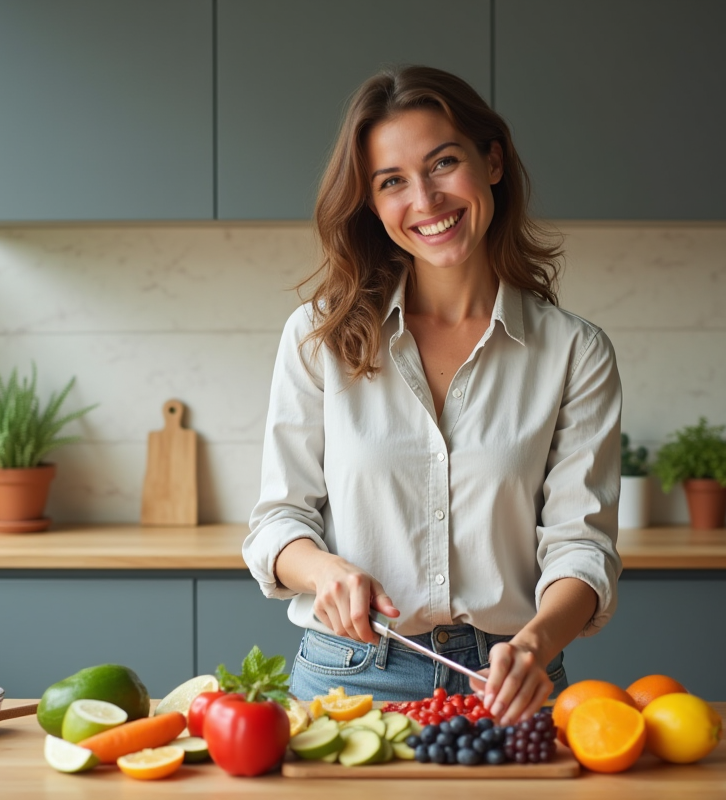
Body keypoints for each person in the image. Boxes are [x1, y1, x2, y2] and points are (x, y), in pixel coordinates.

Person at [244, 65, 622, 726]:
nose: (425, 199)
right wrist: (325, 572)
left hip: (509, 682)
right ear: (371, 202)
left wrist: (536, 642)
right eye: (392, 182)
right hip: (351, 678)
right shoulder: (319, 336)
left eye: (443, 163)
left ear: (493, 160)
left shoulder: (574, 352)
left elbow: (582, 549)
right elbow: (279, 521)